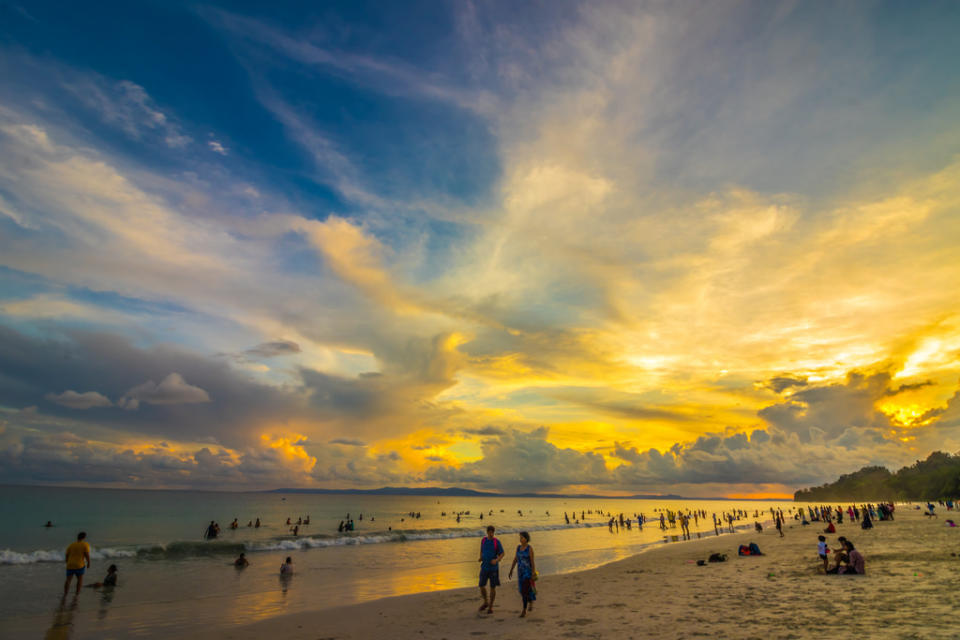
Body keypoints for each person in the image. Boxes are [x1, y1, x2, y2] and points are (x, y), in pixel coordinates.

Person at [508, 531, 537, 617]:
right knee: (522, 591)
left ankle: (524, 610)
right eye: (520, 537)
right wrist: (511, 569)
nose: (520, 539)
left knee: (524, 591)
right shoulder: (518, 548)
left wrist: (533, 572)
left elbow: (532, 561)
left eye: (522, 537)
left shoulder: (529, 548)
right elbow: (515, 559)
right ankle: (531, 601)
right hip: (520, 573)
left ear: (526, 539)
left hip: (527, 573)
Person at [478, 525, 505, 615]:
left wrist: (497, 560)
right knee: (481, 585)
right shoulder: (484, 540)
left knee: (492, 587)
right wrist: (481, 557)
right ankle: (486, 602)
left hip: (493, 569)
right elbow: (481, 550)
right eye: (489, 532)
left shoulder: (496, 542)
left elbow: (502, 553)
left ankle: (491, 606)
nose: (491, 533)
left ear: (493, 532)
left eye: (492, 532)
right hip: (484, 567)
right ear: (487, 532)